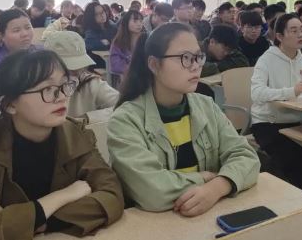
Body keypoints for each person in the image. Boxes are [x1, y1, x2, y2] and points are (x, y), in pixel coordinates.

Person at [0, 50, 124, 239]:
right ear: (10, 105)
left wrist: (19, 219)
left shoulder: (74, 134)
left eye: (64, 85)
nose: (62, 96)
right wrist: (61, 197)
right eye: (47, 89)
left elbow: (112, 195)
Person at [107, 23, 260, 214]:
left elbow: (246, 156)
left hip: (209, 215)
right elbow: (153, 191)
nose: (195, 66)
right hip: (157, 223)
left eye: (198, 57)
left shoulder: (206, 106)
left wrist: (218, 186)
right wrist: (202, 178)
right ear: (154, 64)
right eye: (185, 58)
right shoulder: (125, 120)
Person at [250, 13, 302, 193]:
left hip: (297, 122)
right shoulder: (266, 60)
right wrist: (290, 91)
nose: (300, 35)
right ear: (279, 36)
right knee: (296, 161)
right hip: (268, 124)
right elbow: (256, 93)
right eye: (293, 31)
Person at [44, 31, 118, 118]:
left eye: (80, 65)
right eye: (70, 67)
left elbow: (124, 105)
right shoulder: (37, 90)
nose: (77, 71)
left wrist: (87, 118)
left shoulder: (90, 83)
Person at [0, 9, 39, 84]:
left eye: (28, 27)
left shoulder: (39, 52)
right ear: (2, 36)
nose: (25, 34)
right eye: (16, 30)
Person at [110, 9, 144, 81]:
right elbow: (115, 65)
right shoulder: (118, 42)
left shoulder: (145, 39)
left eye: (141, 21)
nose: (139, 24)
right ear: (126, 22)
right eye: (135, 21)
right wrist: (132, 68)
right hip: (127, 77)